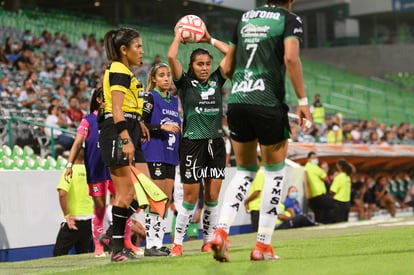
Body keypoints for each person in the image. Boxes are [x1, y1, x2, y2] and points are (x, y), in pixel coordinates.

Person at [211, 0, 312, 262]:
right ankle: (262, 245)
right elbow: (291, 57)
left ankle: (221, 231)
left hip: (237, 102)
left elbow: (228, 67)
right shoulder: (290, 20)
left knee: (245, 171)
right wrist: (303, 101)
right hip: (267, 103)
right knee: (274, 174)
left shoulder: (244, 19)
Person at [167, 23, 229, 256]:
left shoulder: (217, 80)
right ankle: (178, 243)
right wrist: (177, 37)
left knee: (212, 197)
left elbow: (232, 53)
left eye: (207, 64)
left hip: (216, 143)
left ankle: (208, 240)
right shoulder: (184, 84)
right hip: (192, 143)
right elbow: (171, 56)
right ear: (192, 66)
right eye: (199, 64)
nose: (204, 68)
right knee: (190, 198)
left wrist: (209, 39)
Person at [98, 27, 150, 262]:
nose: (141, 51)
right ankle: (117, 248)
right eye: (137, 46)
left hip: (130, 129)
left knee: (143, 192)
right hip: (119, 133)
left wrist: (139, 124)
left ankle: (112, 235)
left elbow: (128, 108)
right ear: (123, 49)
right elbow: (117, 109)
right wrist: (126, 138)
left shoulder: (125, 71)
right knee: (126, 192)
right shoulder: (119, 70)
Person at [64, 88, 117, 257]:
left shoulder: (116, 118)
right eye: (106, 97)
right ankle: (99, 246)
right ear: (99, 100)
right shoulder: (87, 121)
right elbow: (77, 143)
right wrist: (69, 164)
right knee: (100, 209)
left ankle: (122, 242)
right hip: (96, 169)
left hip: (115, 167)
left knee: (123, 204)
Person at [141, 62, 181, 256]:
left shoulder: (174, 101)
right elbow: (141, 123)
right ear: (154, 79)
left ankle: (158, 242)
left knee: (164, 201)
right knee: (155, 200)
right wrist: (161, 128)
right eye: (162, 75)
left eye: (168, 75)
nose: (166, 78)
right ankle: (150, 245)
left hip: (170, 154)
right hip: (154, 152)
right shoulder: (150, 97)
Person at [53, 149, 93, 256]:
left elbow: (62, 193)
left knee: (59, 254)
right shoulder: (89, 172)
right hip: (89, 218)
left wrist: (67, 214)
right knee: (83, 254)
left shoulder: (69, 171)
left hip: (74, 220)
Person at [304, 151, 334, 224]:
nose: (315, 159)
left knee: (318, 213)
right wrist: (325, 169)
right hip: (319, 193)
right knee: (332, 205)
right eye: (313, 157)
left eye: (316, 157)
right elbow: (324, 177)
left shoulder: (306, 167)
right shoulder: (314, 167)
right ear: (308, 159)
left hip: (312, 196)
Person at [244, 163, 264, 233]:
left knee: (257, 232)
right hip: (255, 208)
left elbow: (256, 192)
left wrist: (246, 201)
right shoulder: (255, 175)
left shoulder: (259, 173)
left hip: (257, 208)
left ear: (260, 163)